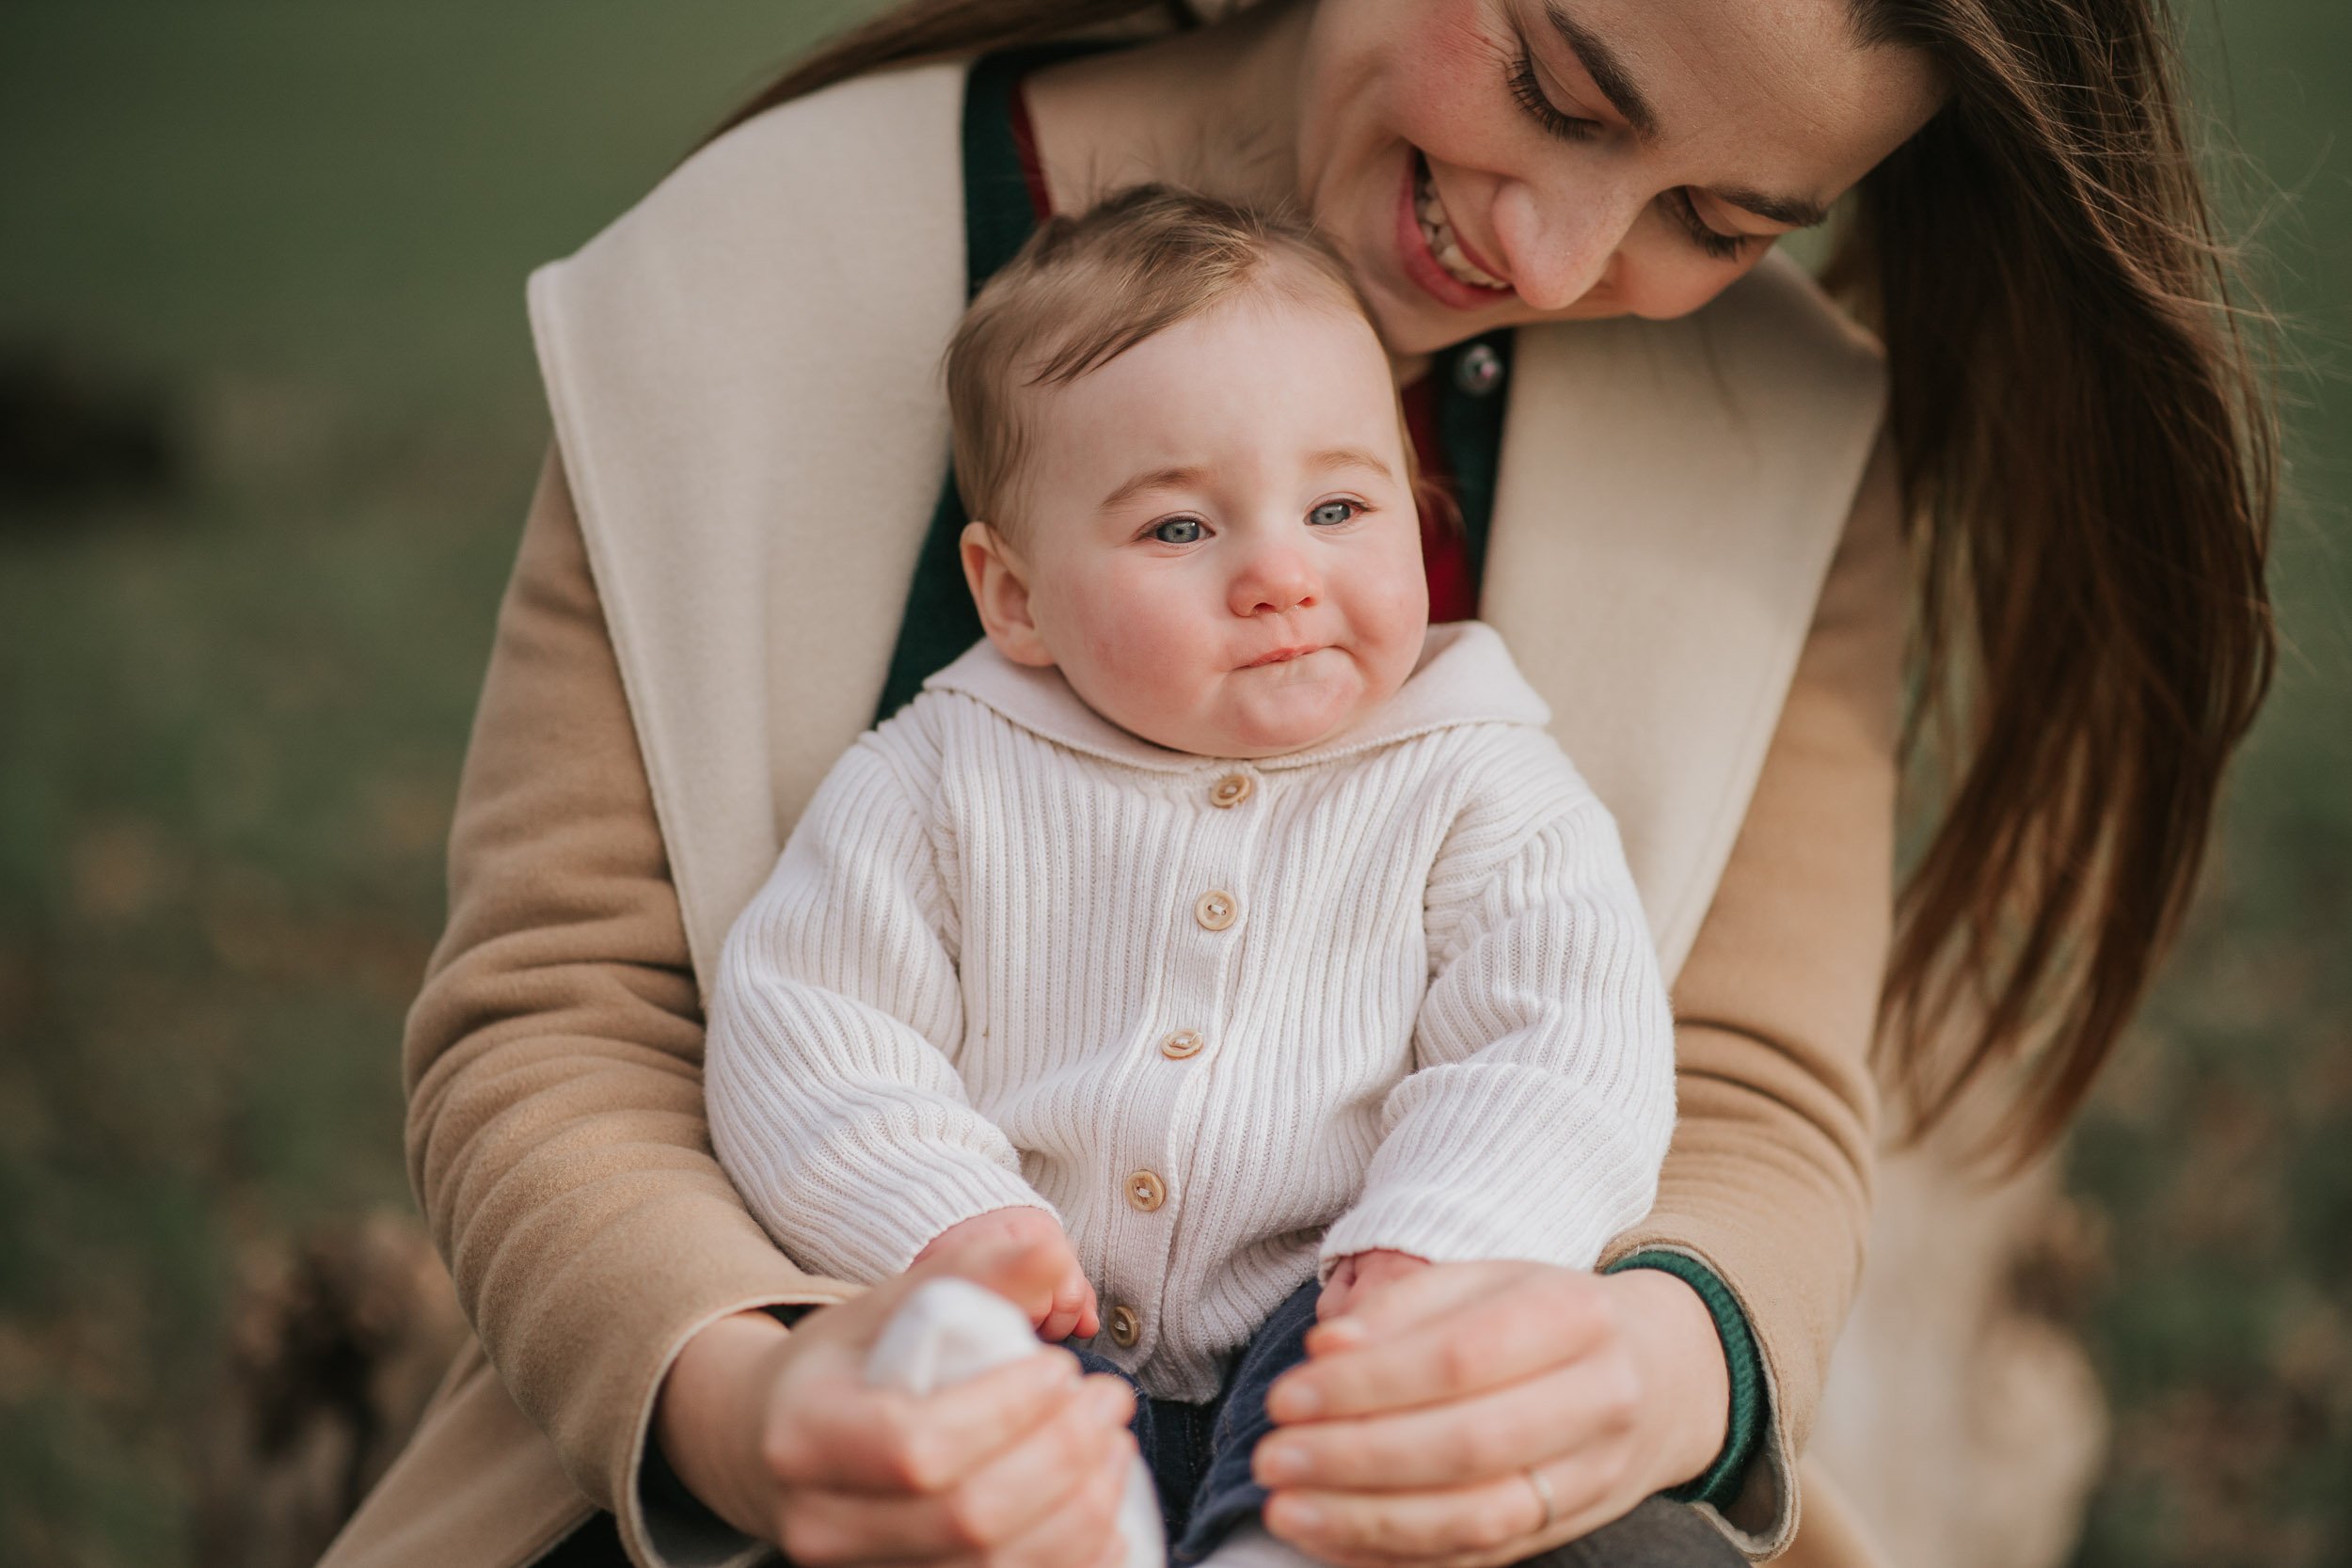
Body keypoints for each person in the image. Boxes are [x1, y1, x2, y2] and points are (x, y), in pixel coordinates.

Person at [318, 3, 2275, 1568]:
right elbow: (554, 1019)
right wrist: (750, 1410)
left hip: (1423, 1473)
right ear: (1010, 586)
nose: (1554, 251)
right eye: (1556, 84)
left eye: (1721, 219)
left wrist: (1646, 1371)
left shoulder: (1786, 437)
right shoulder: (737, 285)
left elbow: (1749, 1091)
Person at [702, 184, 1684, 1568]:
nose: (1280, 573)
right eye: (1179, 530)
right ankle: (1058, 1527)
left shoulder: (1479, 777)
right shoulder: (938, 777)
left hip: (1329, 1296)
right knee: (948, 1372)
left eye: (1339, 505)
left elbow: (1564, 1048)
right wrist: (949, 1222)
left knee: (1380, 1408)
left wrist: (1441, 1238)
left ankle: (1292, 1546)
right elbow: (809, 1025)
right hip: (1031, 1309)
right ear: (1018, 598)